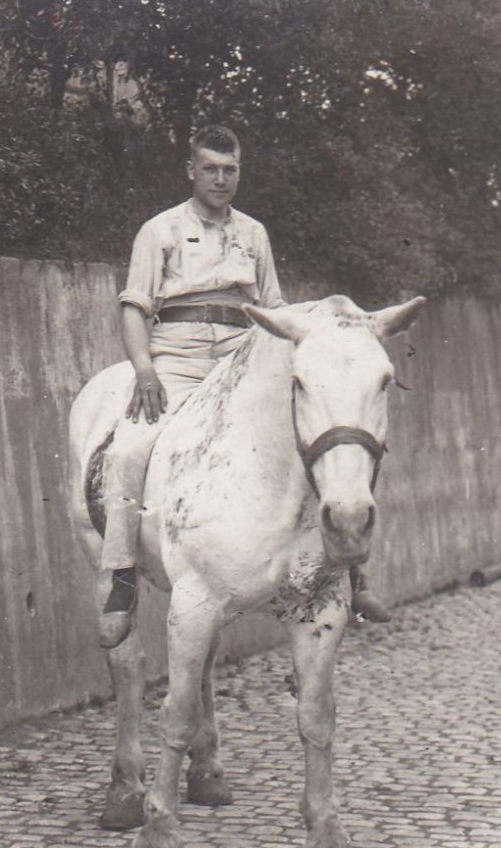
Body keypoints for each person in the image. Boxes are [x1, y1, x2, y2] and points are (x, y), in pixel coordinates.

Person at [97, 125, 392, 649]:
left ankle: (349, 571)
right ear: (191, 171)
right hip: (180, 361)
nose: (220, 179)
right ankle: (120, 575)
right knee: (129, 448)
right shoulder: (160, 230)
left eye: (229, 170)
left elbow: (274, 312)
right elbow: (135, 306)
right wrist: (144, 369)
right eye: (209, 168)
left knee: (325, 439)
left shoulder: (253, 233)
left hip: (242, 359)